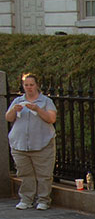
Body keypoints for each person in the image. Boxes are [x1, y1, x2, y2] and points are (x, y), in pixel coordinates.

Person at [5, 73, 58, 210]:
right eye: (26, 85)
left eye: (31, 85)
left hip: (42, 144)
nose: (29, 88)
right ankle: (26, 199)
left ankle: (43, 200)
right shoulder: (18, 101)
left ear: (37, 85)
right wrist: (14, 110)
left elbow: (51, 119)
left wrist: (37, 109)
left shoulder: (46, 101)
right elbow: (9, 118)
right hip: (20, 144)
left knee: (44, 174)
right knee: (25, 173)